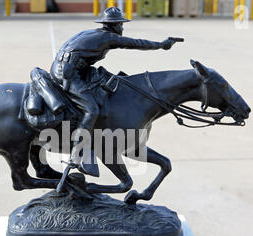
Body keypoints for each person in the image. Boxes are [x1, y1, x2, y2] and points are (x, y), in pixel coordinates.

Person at [50, 7, 178, 176]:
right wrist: (162, 45)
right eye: (121, 25)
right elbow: (136, 43)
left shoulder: (94, 33)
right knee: (91, 108)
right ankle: (77, 153)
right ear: (114, 25)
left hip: (76, 68)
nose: (122, 28)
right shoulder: (107, 38)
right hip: (67, 73)